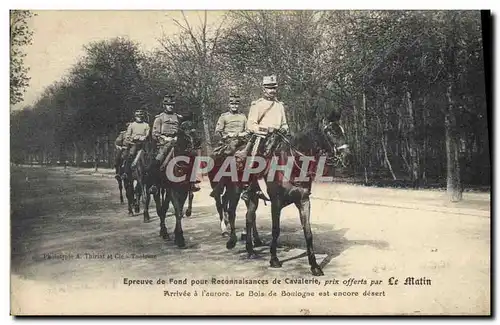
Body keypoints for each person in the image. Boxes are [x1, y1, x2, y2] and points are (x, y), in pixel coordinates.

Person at [241, 75, 289, 202]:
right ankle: (249, 186)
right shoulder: (257, 105)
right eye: (269, 88)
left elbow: (284, 123)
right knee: (254, 158)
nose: (272, 90)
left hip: (279, 136)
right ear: (264, 89)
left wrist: (284, 129)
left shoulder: (280, 105)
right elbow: (251, 124)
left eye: (274, 88)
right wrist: (265, 130)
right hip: (262, 137)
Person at [148, 94, 200, 194]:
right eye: (168, 105)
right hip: (164, 142)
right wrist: (164, 138)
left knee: (192, 155)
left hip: (177, 141)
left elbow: (184, 130)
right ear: (164, 105)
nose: (170, 106)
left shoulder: (178, 117)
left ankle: (192, 181)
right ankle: (154, 184)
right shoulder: (159, 118)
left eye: (172, 104)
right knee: (158, 160)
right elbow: (155, 134)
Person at [210, 94, 248, 198]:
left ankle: (247, 184)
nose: (234, 106)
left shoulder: (243, 117)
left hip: (241, 141)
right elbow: (218, 131)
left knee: (252, 156)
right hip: (227, 141)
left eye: (236, 104)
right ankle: (217, 183)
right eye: (232, 104)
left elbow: (248, 130)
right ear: (229, 105)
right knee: (214, 157)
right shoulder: (224, 116)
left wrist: (242, 134)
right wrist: (226, 135)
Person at [122, 110, 150, 178]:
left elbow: (147, 134)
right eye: (138, 116)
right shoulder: (132, 125)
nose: (139, 117)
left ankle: (149, 173)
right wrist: (134, 138)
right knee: (130, 155)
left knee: (149, 156)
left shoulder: (146, 125)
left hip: (144, 144)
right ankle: (126, 172)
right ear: (135, 117)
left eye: (141, 116)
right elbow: (127, 136)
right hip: (134, 143)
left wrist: (144, 137)